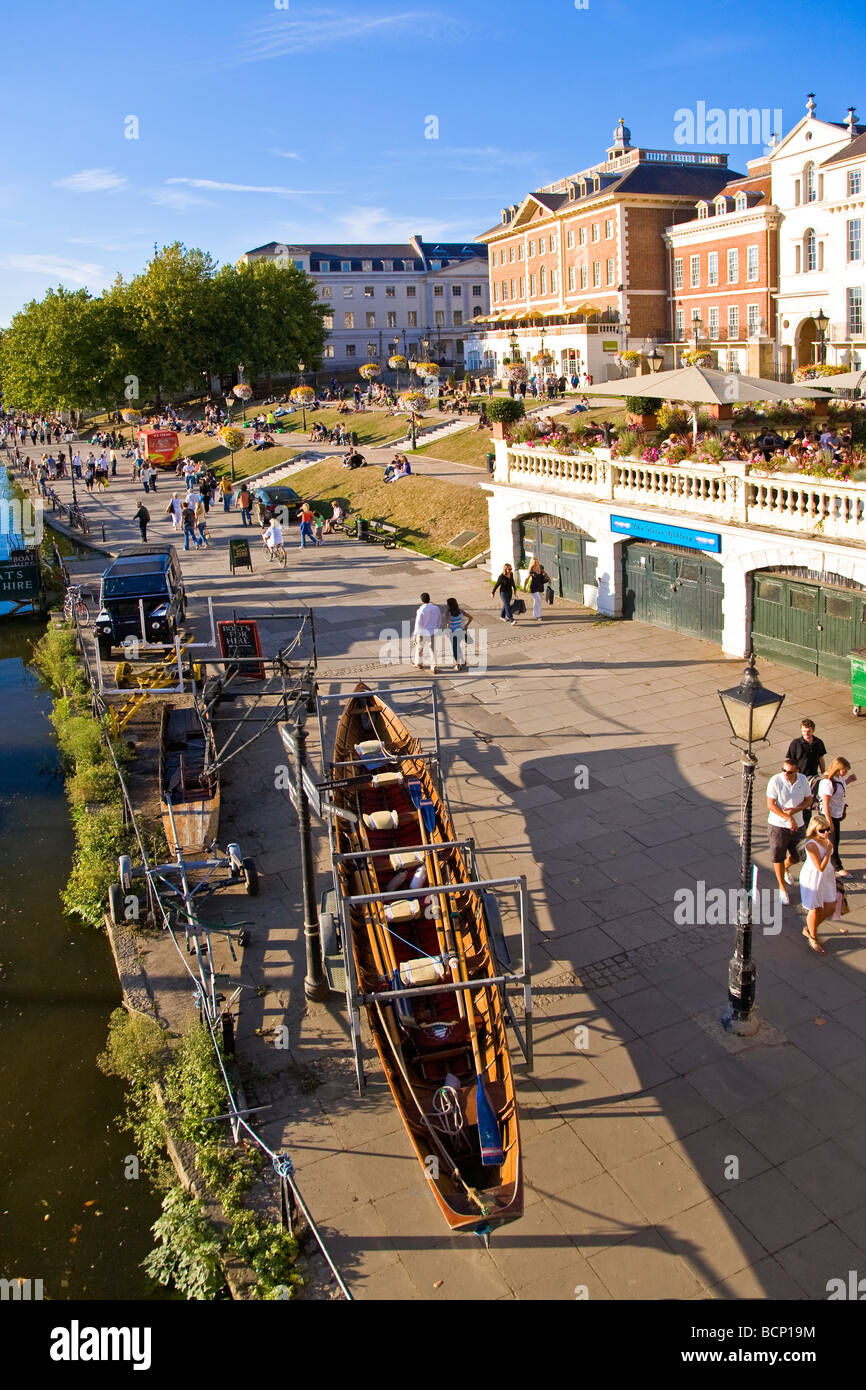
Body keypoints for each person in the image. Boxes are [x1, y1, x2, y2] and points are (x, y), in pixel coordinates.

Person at [766, 758, 813, 905]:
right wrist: (788, 817)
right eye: (784, 770)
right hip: (778, 825)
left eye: (790, 772)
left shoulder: (803, 780)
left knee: (799, 854)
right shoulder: (776, 781)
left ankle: (785, 868)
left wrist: (795, 811)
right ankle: (782, 888)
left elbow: (808, 800)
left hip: (798, 824)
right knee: (778, 856)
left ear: (797, 772)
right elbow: (770, 804)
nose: (786, 774)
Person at [798, 814, 837, 954]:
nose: (826, 832)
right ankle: (813, 938)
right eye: (822, 830)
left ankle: (809, 928)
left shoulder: (825, 840)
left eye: (827, 829)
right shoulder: (811, 845)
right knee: (815, 909)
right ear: (814, 831)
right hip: (813, 878)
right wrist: (827, 851)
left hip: (826, 876)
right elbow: (819, 866)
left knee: (831, 906)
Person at [818, 756, 856, 876]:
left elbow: (840, 786)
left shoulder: (837, 778)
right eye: (845, 770)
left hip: (835, 814)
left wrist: (849, 780)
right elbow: (825, 803)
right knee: (833, 842)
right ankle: (837, 867)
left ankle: (826, 862)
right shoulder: (828, 782)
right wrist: (829, 821)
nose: (846, 772)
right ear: (838, 769)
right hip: (828, 816)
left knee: (830, 841)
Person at [413, 591, 441, 673]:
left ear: (421, 600)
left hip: (422, 633)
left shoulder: (420, 610)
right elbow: (439, 619)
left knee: (419, 648)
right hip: (433, 631)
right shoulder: (436, 608)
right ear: (429, 599)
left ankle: (418, 663)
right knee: (432, 649)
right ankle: (434, 666)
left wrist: (415, 635)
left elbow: (418, 624)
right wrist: (437, 627)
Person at [445, 596, 472, 670]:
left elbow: (448, 624)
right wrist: (466, 625)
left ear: (450, 605)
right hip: (461, 632)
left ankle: (458, 665)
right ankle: (463, 662)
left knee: (455, 649)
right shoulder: (461, 611)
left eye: (447, 604)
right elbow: (471, 617)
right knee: (458, 647)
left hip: (453, 633)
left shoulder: (448, 613)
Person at [524, 557, 550, 621]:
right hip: (533, 588)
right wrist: (524, 587)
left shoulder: (540, 568)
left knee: (538, 601)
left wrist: (549, 580)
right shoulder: (531, 570)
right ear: (532, 563)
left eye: (536, 562)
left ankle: (535, 612)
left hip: (540, 587)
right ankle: (538, 615)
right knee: (538, 600)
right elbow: (527, 579)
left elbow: (545, 573)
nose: (536, 563)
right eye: (534, 562)